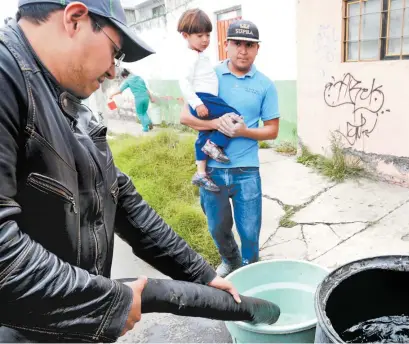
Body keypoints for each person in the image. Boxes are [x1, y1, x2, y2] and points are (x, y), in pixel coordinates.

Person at [0, 0, 241, 342]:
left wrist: (200, 275)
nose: (114, 71)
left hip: (71, 326)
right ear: (75, 20)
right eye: (115, 51)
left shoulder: (69, 105)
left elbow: (119, 196)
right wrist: (102, 303)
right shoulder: (6, 80)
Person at [180, 19, 280, 277]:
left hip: (247, 170)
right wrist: (217, 123)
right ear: (227, 45)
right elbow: (186, 117)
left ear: (257, 49)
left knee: (249, 231)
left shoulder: (265, 85)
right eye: (237, 44)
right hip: (213, 170)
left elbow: (272, 130)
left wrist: (242, 131)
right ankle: (230, 260)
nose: (243, 51)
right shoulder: (208, 75)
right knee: (217, 227)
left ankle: (249, 269)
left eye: (249, 45)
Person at [176, 8, 242, 193]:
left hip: (205, 98)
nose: (205, 39)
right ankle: (215, 145)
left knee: (204, 134)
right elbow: (184, 82)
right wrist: (197, 103)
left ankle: (201, 173)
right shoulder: (190, 57)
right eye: (199, 35)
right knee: (234, 116)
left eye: (208, 35)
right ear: (185, 35)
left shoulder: (199, 55)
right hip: (204, 98)